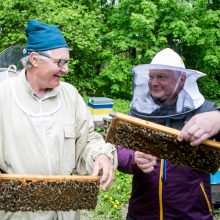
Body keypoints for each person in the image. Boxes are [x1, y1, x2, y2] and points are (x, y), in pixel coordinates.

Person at [0, 20, 117, 220]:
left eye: (67, 63)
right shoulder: (4, 96)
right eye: (59, 62)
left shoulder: (70, 95)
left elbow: (87, 138)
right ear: (35, 59)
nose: (66, 70)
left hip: (65, 212)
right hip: (18, 214)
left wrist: (100, 155)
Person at [117, 48, 219, 220]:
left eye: (162, 77)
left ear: (182, 79)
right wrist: (133, 158)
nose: (154, 82)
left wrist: (218, 117)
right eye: (151, 76)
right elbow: (117, 150)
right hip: (142, 213)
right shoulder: (139, 111)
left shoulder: (204, 112)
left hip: (191, 215)